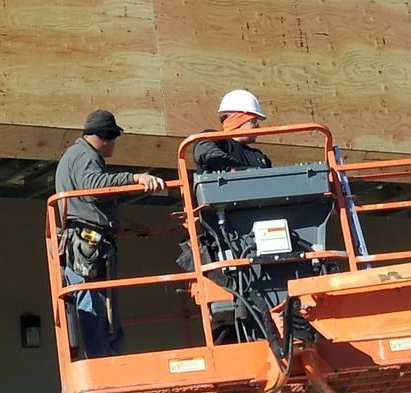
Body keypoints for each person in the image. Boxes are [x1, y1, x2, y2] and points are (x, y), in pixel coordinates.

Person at [54, 109, 164, 359]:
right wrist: (135, 177)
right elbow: (93, 188)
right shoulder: (85, 156)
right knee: (94, 307)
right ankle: (103, 362)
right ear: (108, 135)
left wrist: (125, 224)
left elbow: (89, 206)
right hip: (87, 246)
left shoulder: (77, 155)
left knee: (101, 310)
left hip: (87, 242)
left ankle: (106, 359)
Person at [191, 89, 275, 173]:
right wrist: (235, 170)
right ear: (239, 120)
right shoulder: (215, 139)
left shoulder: (259, 157)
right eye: (254, 121)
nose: (258, 127)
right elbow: (204, 152)